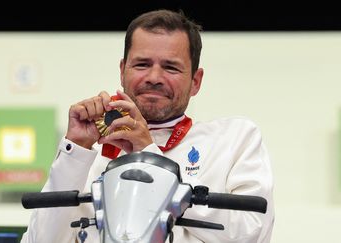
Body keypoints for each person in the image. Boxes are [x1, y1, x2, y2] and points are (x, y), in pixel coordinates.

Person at [20, 9, 274, 243]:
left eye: (170, 67)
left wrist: (147, 154)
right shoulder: (91, 153)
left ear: (195, 81)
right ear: (123, 70)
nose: (154, 78)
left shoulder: (234, 139)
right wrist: (75, 151)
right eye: (142, 64)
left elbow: (254, 234)